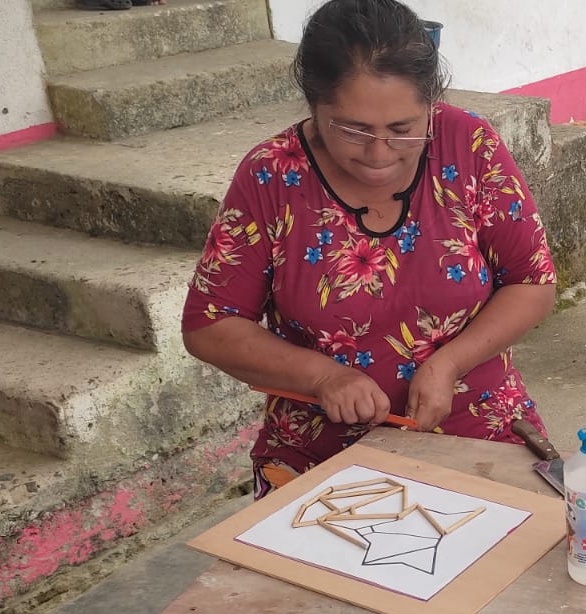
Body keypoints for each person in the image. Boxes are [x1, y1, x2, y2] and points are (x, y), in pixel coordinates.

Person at [182, 0, 557, 498]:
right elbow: (210, 325)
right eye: (353, 130)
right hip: (324, 456)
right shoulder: (271, 176)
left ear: (430, 104)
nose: (380, 154)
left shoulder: (468, 145)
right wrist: (324, 378)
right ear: (314, 106)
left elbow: (532, 282)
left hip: (477, 433)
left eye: (403, 129)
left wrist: (448, 364)